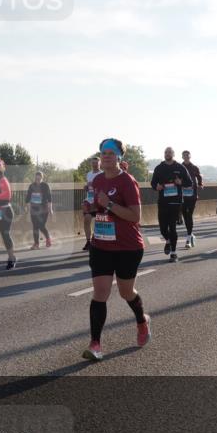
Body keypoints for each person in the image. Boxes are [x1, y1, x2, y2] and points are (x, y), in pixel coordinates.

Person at [82, 138, 149, 361]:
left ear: (119, 156)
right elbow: (96, 207)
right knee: (100, 293)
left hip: (127, 247)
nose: (106, 156)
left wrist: (109, 203)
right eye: (103, 152)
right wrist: (91, 208)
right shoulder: (97, 180)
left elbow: (135, 216)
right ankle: (95, 344)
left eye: (111, 152)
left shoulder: (128, 182)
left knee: (125, 292)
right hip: (101, 244)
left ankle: (141, 321)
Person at [150, 146, 192, 263]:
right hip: (163, 201)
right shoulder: (159, 168)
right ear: (164, 154)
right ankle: (168, 241)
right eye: (166, 152)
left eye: (169, 152)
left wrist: (181, 182)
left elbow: (190, 182)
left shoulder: (180, 167)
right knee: (163, 228)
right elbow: (153, 183)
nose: (167, 154)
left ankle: (173, 253)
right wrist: (156, 187)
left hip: (176, 202)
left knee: (172, 228)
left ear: (173, 154)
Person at [181, 150, 203, 249]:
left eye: (187, 155)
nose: (186, 156)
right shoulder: (179, 167)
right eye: (184, 155)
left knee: (189, 214)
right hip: (182, 195)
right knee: (185, 215)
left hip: (192, 195)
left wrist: (200, 184)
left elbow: (199, 177)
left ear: (190, 156)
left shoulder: (194, 167)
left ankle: (188, 238)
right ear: (182, 157)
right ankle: (190, 234)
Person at [25, 171, 53, 249]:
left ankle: (48, 238)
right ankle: (36, 244)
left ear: (42, 178)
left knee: (41, 225)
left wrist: (51, 209)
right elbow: (27, 199)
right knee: (35, 227)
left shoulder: (45, 185)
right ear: (35, 177)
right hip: (34, 209)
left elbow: (49, 198)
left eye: (39, 177)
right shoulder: (31, 186)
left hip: (44, 209)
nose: (37, 179)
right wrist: (28, 210)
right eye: (36, 177)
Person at [82, 156, 103, 251]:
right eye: (93, 163)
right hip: (89, 200)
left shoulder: (103, 174)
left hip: (99, 201)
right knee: (86, 220)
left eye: (96, 163)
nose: (94, 165)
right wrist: (86, 187)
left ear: (100, 164)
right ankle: (88, 241)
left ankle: (99, 241)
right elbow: (89, 186)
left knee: (99, 222)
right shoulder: (89, 174)